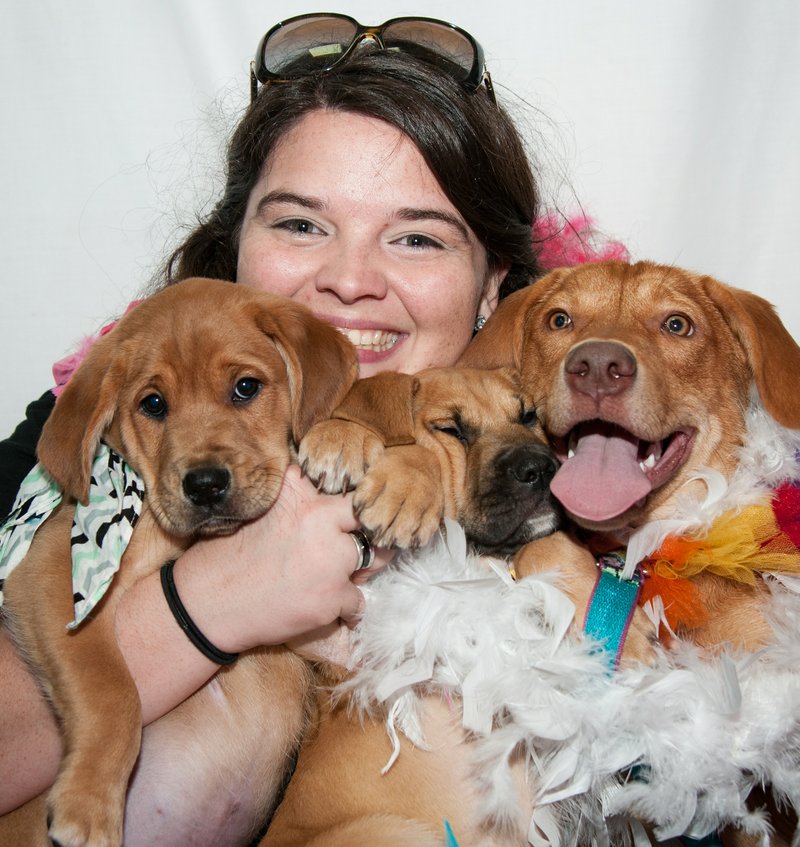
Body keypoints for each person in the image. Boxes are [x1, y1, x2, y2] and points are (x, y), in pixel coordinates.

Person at [0, 14, 547, 844]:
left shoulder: (580, 457)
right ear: (235, 246)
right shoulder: (113, 424)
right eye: (300, 224)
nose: (351, 279)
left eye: (416, 237)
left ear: (491, 286)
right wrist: (208, 606)